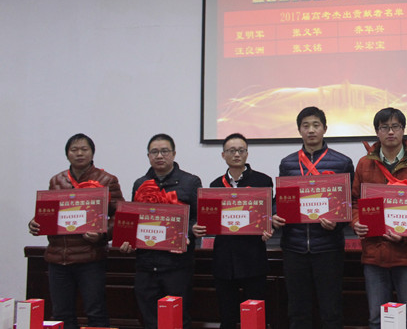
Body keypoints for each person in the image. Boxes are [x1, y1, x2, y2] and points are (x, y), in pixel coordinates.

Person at [28, 133, 124, 329]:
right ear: (67, 154)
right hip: (58, 259)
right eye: (74, 149)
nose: (79, 153)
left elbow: (120, 216)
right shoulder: (57, 181)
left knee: (96, 312)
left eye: (84, 149)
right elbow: (48, 213)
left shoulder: (107, 180)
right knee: (61, 314)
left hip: (90, 259)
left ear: (92, 153)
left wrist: (102, 234)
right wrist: (36, 223)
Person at [271, 106, 355, 329]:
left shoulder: (342, 162)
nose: (311, 130)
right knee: (298, 311)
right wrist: (274, 215)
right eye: (306, 126)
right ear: (299, 130)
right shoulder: (288, 163)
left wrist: (338, 223)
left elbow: (350, 203)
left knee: (331, 309)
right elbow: (280, 200)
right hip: (294, 247)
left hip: (328, 248)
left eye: (316, 125)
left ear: (325, 128)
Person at [351, 107, 407, 329]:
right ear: (377, 131)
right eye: (384, 127)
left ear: (403, 130)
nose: (390, 132)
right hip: (374, 252)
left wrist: (405, 235)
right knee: (377, 317)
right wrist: (356, 222)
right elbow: (354, 202)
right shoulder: (364, 163)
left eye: (395, 126)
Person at [191, 133, 273, 329]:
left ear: (247, 153)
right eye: (232, 150)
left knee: (255, 317)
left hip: (253, 258)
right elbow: (209, 221)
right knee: (227, 317)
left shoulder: (263, 181)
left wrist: (270, 226)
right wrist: (199, 227)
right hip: (224, 260)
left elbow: (269, 216)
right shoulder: (215, 186)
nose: (237, 154)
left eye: (241, 150)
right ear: (223, 155)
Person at [121, 133, 202, 329]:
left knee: (177, 320)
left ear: (173, 154)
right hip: (146, 265)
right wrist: (127, 239)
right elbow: (133, 219)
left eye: (164, 151)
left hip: (177, 266)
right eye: (154, 152)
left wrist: (187, 231)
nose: (159, 156)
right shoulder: (140, 184)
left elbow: (198, 218)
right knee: (149, 319)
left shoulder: (190, 182)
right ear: (148, 156)